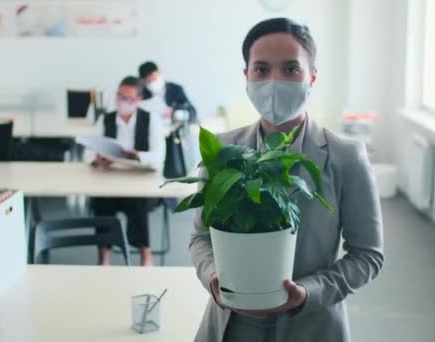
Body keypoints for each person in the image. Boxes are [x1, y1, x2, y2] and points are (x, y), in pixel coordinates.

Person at [190, 18, 384, 341]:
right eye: (262, 70)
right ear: (247, 76)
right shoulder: (221, 151)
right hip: (230, 326)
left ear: (313, 77)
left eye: (291, 69)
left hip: (311, 326)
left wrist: (308, 292)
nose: (275, 81)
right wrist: (213, 276)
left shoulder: (346, 157)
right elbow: (200, 238)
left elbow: (368, 254)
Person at [85, 76, 165, 267]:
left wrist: (137, 156)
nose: (122, 101)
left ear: (138, 100)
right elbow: (88, 151)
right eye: (120, 96)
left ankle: (145, 253)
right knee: (101, 201)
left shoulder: (150, 119)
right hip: (109, 179)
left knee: (137, 201)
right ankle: (104, 255)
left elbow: (159, 155)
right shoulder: (106, 119)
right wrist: (96, 159)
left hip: (139, 181)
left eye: (128, 98)